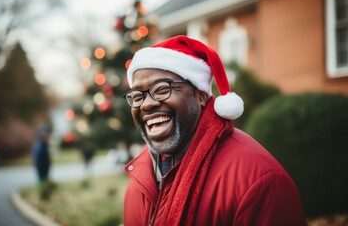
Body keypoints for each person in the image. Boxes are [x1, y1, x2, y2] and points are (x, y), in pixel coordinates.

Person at [122, 35, 307, 226]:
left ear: (201, 95)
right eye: (137, 96)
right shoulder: (140, 177)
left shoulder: (258, 181)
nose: (147, 104)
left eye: (161, 89)